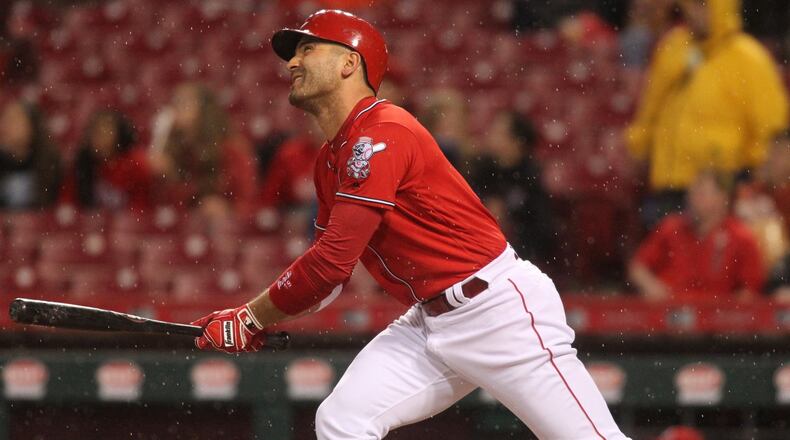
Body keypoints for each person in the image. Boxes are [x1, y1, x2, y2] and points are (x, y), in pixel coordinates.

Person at [191, 10, 629, 440]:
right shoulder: (329, 160)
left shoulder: (383, 129)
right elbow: (327, 282)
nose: (292, 62)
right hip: (429, 321)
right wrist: (259, 320)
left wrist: (249, 318)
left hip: (498, 311)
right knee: (342, 421)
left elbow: (329, 264)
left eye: (308, 49)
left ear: (349, 63)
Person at [625, 0, 789, 228]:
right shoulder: (673, 46)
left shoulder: (749, 58)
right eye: (690, 4)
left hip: (721, 191)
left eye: (701, 4)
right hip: (670, 185)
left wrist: (753, 179)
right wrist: (638, 144)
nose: (692, 11)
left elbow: (772, 129)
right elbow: (651, 107)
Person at [629, 170, 765, 302]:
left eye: (702, 193)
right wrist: (652, 287)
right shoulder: (671, 228)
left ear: (723, 199)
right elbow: (638, 267)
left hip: (716, 318)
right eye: (692, 192)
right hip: (669, 313)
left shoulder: (741, 237)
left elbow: (749, 291)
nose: (693, 198)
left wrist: (728, 313)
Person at [149, 82, 258, 219]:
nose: (176, 108)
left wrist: (227, 209)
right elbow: (165, 205)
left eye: (184, 102)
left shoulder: (232, 150)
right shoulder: (171, 149)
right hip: (183, 227)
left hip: (223, 230)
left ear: (205, 109)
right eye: (175, 101)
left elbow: (247, 200)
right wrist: (167, 173)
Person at [471, 109, 555, 266]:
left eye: (499, 133)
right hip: (480, 257)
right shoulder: (479, 169)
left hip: (520, 259)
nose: (491, 137)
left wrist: (509, 216)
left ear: (517, 142)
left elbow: (539, 228)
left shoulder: (531, 177)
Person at [61, 110, 152, 211]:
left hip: (127, 224)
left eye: (105, 131)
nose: (99, 138)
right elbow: (67, 205)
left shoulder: (135, 164)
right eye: (95, 132)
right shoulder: (82, 164)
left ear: (118, 134)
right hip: (89, 224)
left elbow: (141, 209)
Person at [0, 99, 61, 210]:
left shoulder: (50, 161)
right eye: (4, 119)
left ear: (32, 125)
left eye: (14, 120)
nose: (5, 125)